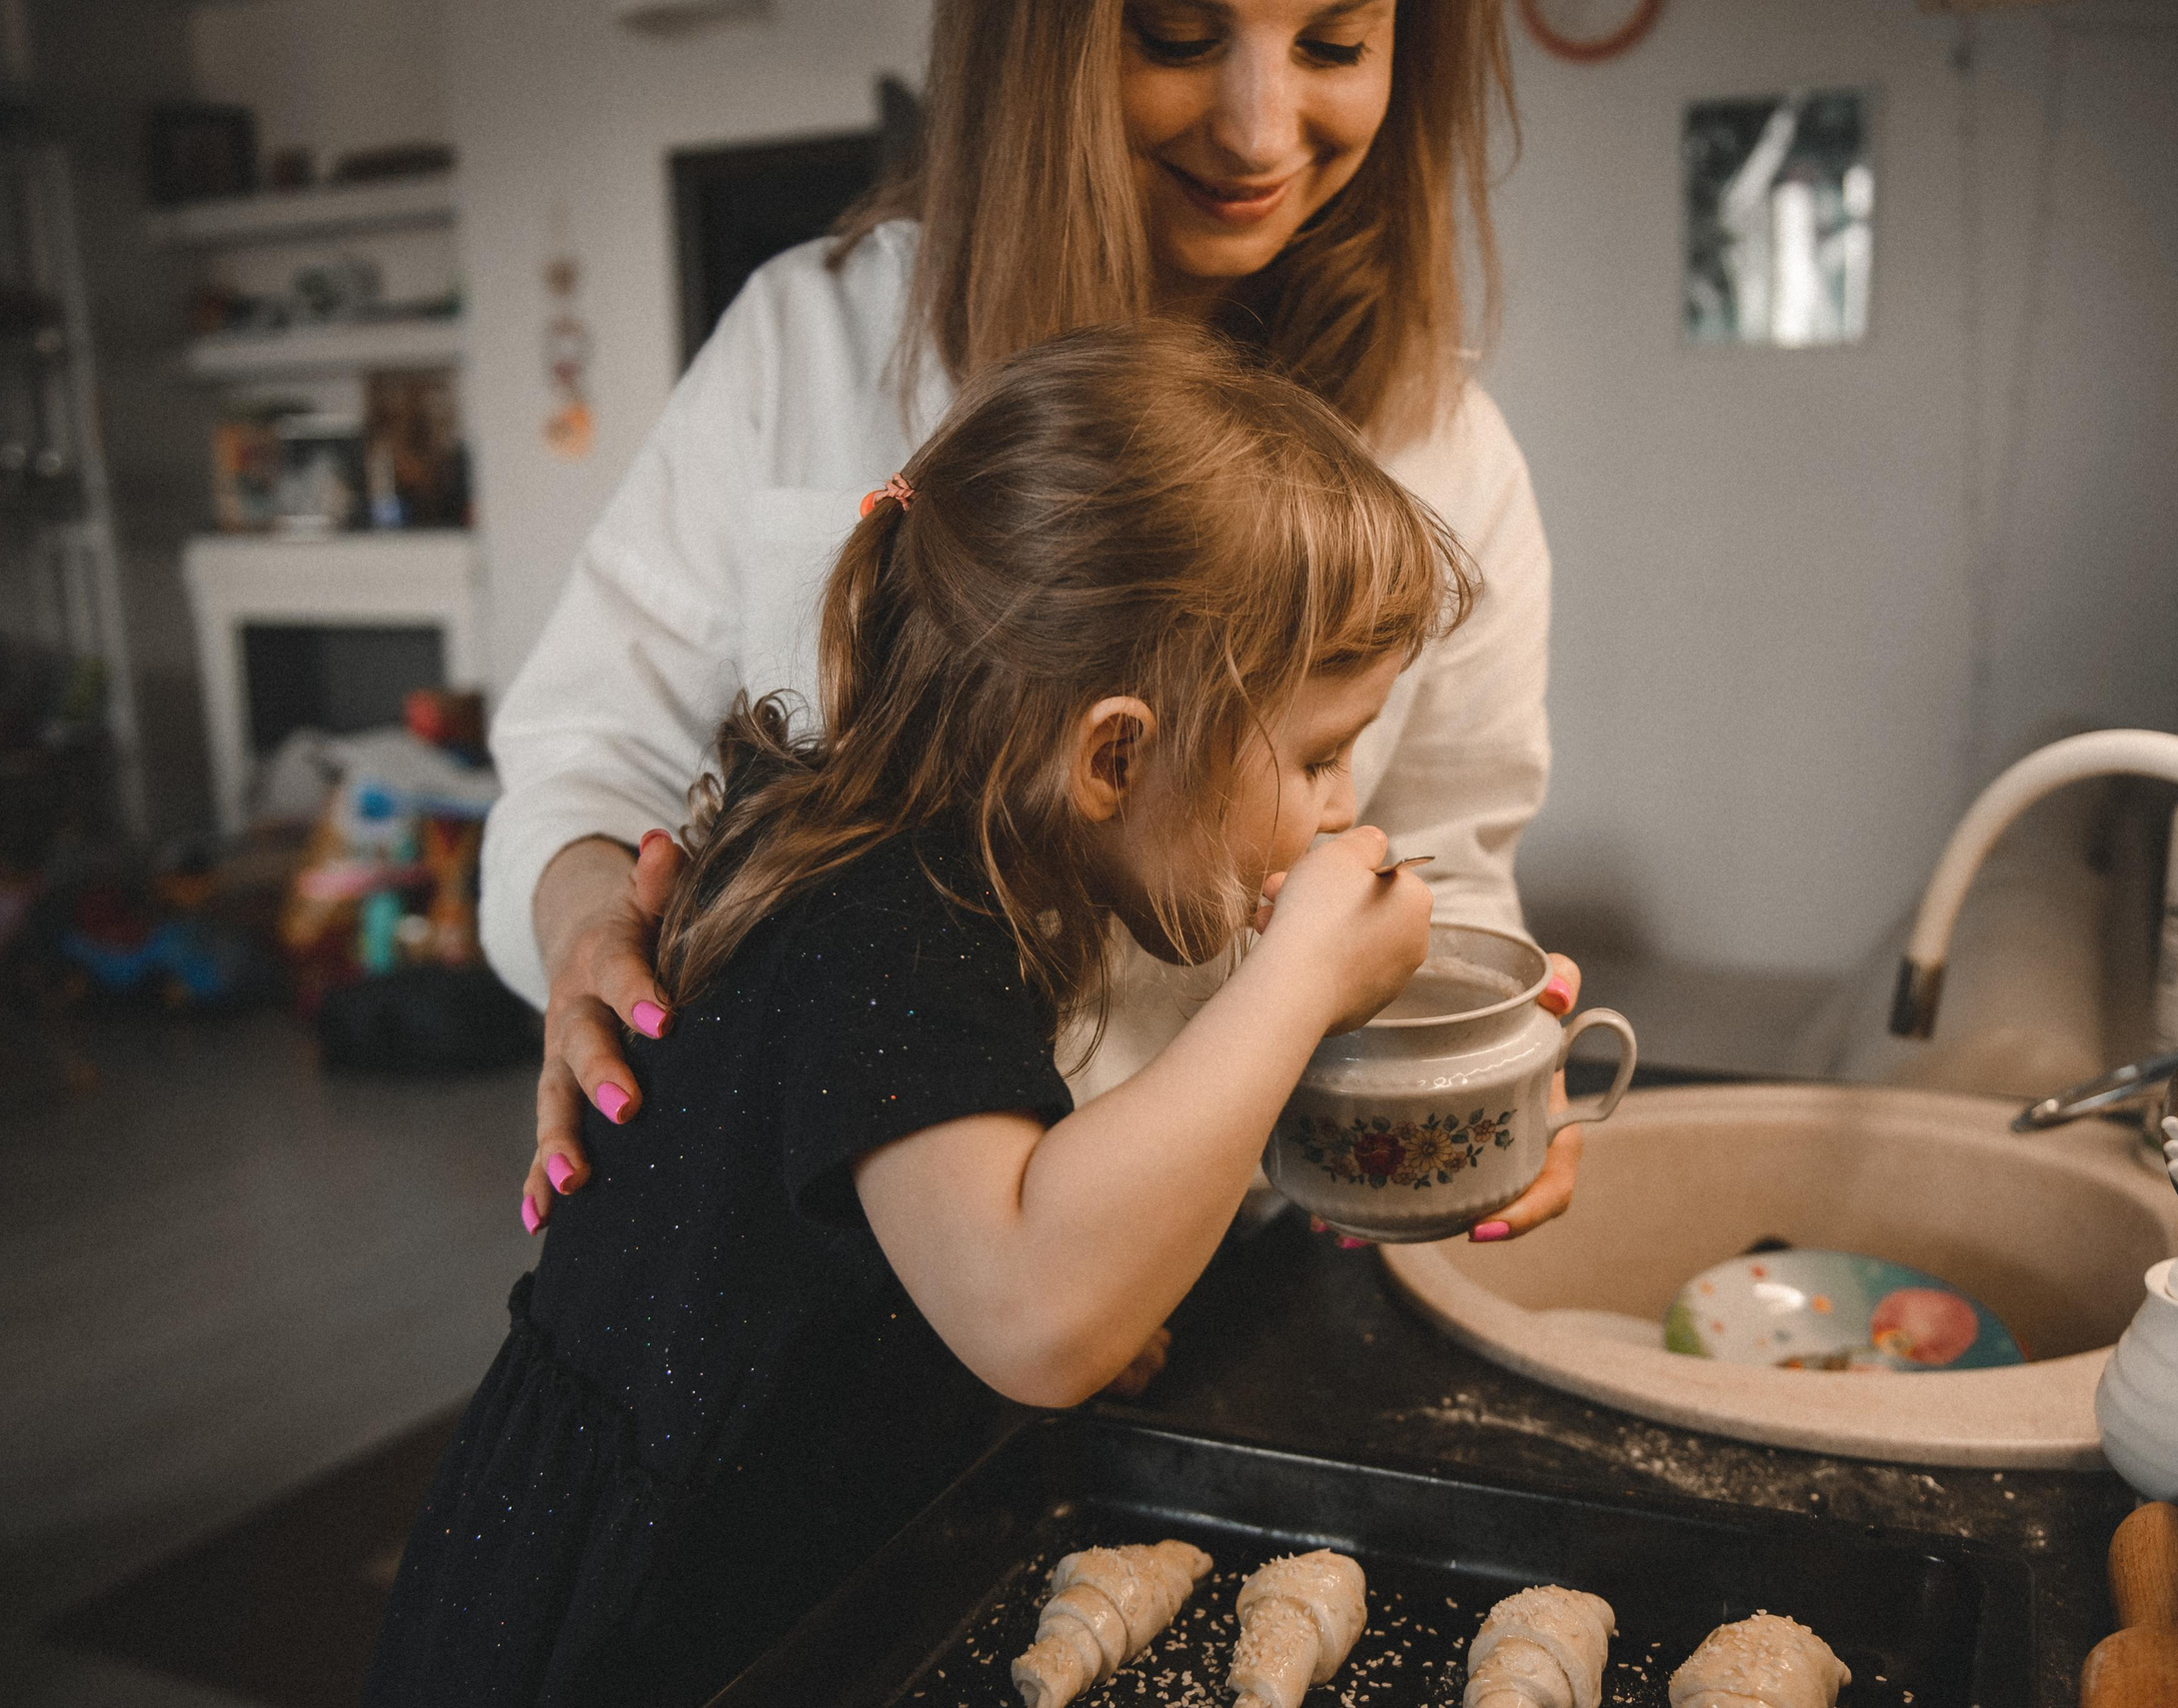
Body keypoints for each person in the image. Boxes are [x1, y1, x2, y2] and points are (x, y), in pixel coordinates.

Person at [369, 322, 1470, 1708]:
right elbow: (1033, 1310)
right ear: (1113, 753)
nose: (1341, 806)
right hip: (633, 1625)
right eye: (1317, 754)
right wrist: (1298, 978)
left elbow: (944, 1216)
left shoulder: (937, 858)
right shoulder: (883, 919)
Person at [489, 0, 1581, 1264]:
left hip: (1206, 1259)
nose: (1259, 131)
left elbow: (1436, 866)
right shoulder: (812, 341)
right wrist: (585, 929)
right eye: (1176, 36)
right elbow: (588, 757)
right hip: (809, 1291)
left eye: (1333, 47)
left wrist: (1474, 1063)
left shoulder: (1444, 445)